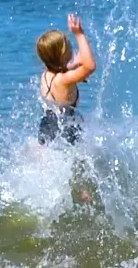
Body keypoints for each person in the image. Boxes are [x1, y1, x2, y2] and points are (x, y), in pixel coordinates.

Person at [35, 13, 97, 203]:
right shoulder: (64, 79)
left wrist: (73, 63)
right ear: (63, 55)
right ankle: (83, 196)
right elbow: (91, 66)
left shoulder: (48, 75)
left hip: (47, 122)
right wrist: (79, 34)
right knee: (77, 164)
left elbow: (64, 70)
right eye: (70, 46)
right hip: (66, 124)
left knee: (50, 162)